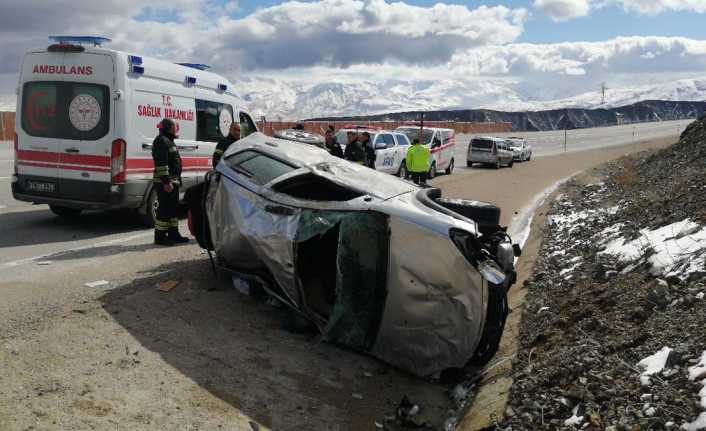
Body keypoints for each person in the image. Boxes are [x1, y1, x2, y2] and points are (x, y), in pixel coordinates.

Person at [152, 118, 189, 246]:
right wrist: (166, 182)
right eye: (174, 126)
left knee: (172, 210)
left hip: (173, 182)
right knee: (164, 210)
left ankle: (173, 233)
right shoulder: (161, 141)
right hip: (165, 183)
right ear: (169, 127)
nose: (176, 128)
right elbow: (161, 163)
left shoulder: (169, 141)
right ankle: (160, 237)